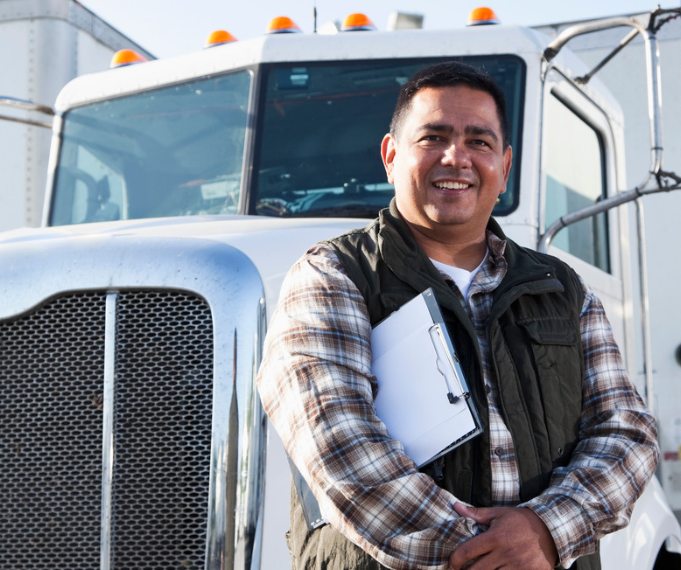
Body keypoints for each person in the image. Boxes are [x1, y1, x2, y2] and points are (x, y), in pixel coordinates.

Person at [255, 62, 658, 570]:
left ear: (505, 166)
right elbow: (339, 447)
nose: (456, 158)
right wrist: (489, 556)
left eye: (479, 142)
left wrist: (546, 532)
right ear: (391, 155)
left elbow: (627, 433)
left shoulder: (564, 290)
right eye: (433, 137)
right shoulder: (332, 276)